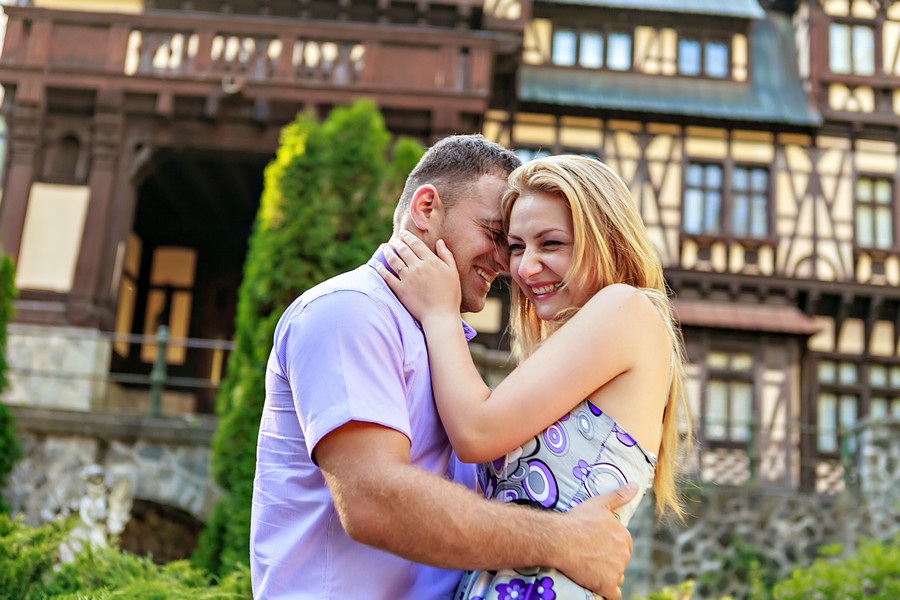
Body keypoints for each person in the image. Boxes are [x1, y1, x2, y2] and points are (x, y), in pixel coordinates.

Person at [250, 136, 638, 600]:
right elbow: (373, 501)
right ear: (427, 207)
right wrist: (564, 542)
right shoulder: (350, 312)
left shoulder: (436, 335)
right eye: (497, 236)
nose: (509, 264)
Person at [378, 154, 689, 599]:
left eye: (552, 243)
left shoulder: (626, 309)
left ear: (606, 240)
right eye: (518, 246)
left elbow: (476, 431)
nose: (524, 268)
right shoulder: (581, 340)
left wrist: (439, 311)